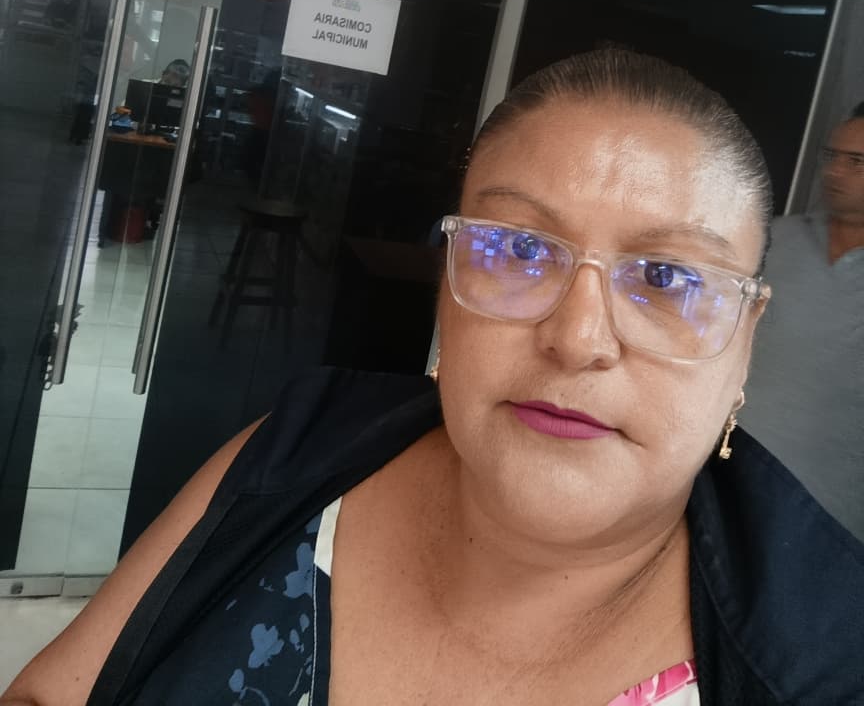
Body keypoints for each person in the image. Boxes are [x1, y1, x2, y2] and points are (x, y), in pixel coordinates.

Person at [4, 49, 862, 706]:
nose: (577, 339)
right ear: (448, 288)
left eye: (668, 277)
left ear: (744, 343)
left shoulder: (828, 662)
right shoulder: (301, 451)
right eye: (519, 249)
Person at [743, 102, 864, 540]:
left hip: (830, 523)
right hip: (727, 486)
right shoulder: (773, 241)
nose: (835, 172)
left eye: (856, 162)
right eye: (832, 156)